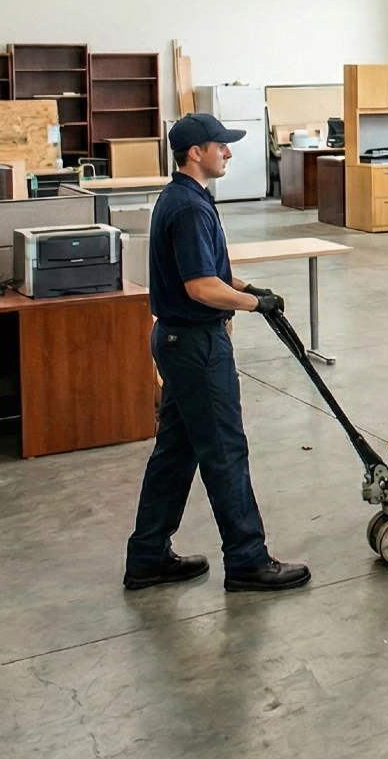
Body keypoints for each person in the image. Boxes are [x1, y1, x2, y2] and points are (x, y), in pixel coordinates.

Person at [123, 113, 311, 593]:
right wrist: (252, 303)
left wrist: (250, 287)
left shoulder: (183, 198)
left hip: (177, 340)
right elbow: (201, 286)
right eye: (219, 146)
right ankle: (248, 560)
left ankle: (147, 557)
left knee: (176, 451)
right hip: (195, 345)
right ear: (195, 153)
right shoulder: (189, 208)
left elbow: (212, 272)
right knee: (225, 451)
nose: (227, 153)